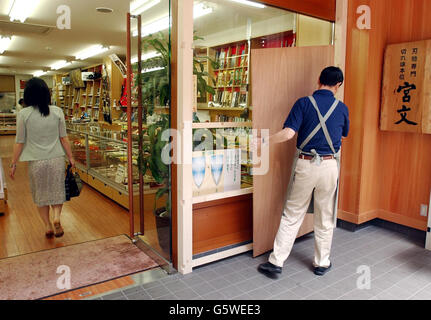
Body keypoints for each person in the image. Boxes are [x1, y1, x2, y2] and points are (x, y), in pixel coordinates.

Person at [257, 66, 350, 278]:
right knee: (325, 216)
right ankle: (321, 263)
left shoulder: (303, 103)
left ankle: (276, 263)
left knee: (292, 214)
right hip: (329, 167)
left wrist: (264, 140)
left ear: (319, 80)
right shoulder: (342, 108)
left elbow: (288, 133)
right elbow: (343, 134)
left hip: (306, 164)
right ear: (338, 85)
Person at [9, 78, 75, 238]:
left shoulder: (23, 114)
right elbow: (63, 138)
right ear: (47, 93)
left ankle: (47, 226)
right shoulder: (57, 111)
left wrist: (13, 163)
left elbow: (19, 142)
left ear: (28, 95)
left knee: (41, 194)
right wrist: (71, 158)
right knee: (57, 191)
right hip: (56, 159)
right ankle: (57, 217)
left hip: (36, 162)